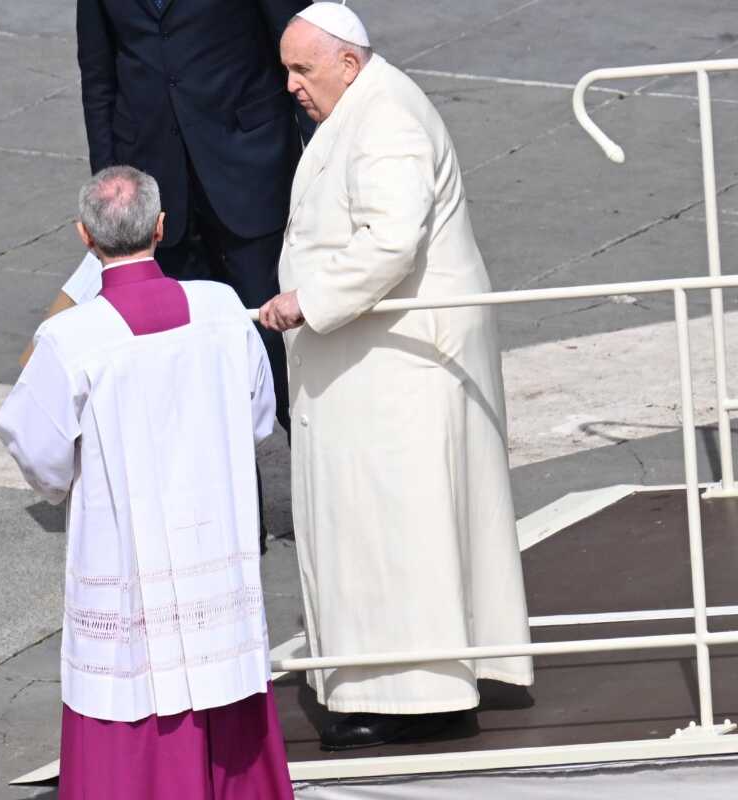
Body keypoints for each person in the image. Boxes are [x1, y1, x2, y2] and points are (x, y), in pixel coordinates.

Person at [259, 3, 533, 751]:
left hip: (400, 369)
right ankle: (387, 683)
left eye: (301, 69)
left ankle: (423, 697)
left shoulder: (387, 122)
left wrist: (304, 302)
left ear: (347, 63)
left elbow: (389, 243)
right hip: (373, 366)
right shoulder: (365, 103)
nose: (290, 86)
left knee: (399, 532)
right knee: (376, 530)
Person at [0, 166, 293, 799]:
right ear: (163, 228)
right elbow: (260, 419)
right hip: (212, 542)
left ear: (85, 237)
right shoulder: (221, 309)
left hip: (124, 549)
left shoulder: (70, 339)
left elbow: (37, 451)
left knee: (126, 686)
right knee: (223, 670)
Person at [75, 0, 312, 431]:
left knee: (281, 349)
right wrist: (109, 189)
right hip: (159, 186)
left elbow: (302, 44)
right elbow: (98, 77)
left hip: (249, 169)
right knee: (195, 361)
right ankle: (234, 496)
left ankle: (320, 491)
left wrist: (325, 162)